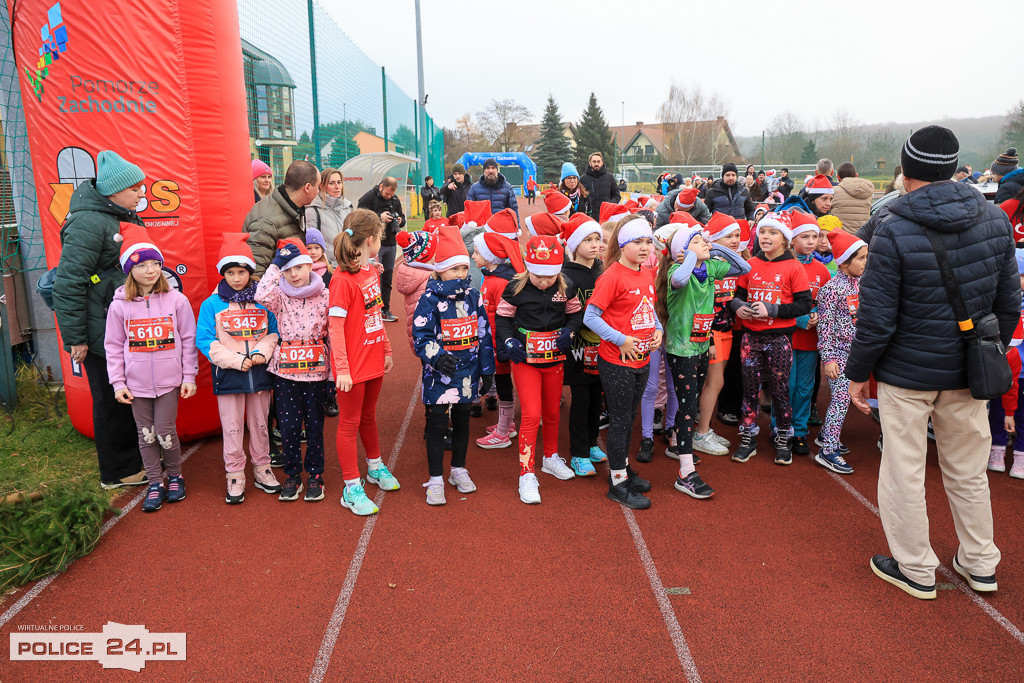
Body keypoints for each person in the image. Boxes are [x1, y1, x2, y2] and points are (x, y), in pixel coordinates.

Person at [846, 125, 1019, 600]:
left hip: (908, 374)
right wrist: (987, 350)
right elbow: (1008, 304)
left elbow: (877, 317)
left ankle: (917, 568)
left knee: (904, 470)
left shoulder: (893, 226)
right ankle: (980, 561)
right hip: (968, 369)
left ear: (906, 171)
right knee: (967, 470)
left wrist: (857, 373)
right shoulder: (993, 218)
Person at [53, 150, 147, 489]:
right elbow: (68, 283)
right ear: (114, 190)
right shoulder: (89, 222)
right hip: (99, 330)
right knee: (111, 400)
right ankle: (118, 471)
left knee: (127, 396)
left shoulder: (122, 215)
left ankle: (135, 459)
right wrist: (76, 338)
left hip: (121, 324)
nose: (141, 194)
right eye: (135, 188)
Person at [105, 224, 198, 512]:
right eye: (142, 265)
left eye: (155, 264)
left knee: (165, 431)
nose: (150, 270)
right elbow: (113, 345)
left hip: (170, 381)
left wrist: (189, 376)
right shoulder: (119, 306)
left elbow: (188, 339)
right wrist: (118, 383)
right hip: (136, 384)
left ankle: (175, 477)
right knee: (145, 433)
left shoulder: (177, 300)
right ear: (129, 269)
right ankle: (155, 482)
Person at [496, 235, 583, 505]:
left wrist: (570, 331)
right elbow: (502, 318)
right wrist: (510, 341)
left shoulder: (566, 285)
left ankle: (551, 457)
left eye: (549, 276)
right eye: (538, 276)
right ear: (527, 269)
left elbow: (576, 314)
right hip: (526, 361)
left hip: (555, 359)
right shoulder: (515, 288)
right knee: (532, 414)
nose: (544, 281)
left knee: (552, 412)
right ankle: (526, 473)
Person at [196, 233, 282, 503]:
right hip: (229, 377)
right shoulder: (211, 304)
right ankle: (234, 475)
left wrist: (260, 352)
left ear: (249, 271)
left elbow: (275, 332)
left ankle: (263, 468)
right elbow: (205, 340)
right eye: (230, 272)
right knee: (232, 427)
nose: (236, 278)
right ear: (223, 273)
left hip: (259, 375)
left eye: (241, 271)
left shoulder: (263, 300)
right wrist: (236, 360)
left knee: (259, 425)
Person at [584, 216, 662, 509]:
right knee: (618, 421)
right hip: (617, 362)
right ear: (623, 245)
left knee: (629, 418)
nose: (644, 248)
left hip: (641, 359)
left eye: (647, 242)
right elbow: (590, 317)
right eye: (637, 242)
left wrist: (658, 330)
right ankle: (617, 482)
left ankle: (622, 468)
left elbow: (648, 311)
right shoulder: (612, 276)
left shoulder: (645, 273)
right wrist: (621, 340)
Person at [413, 228, 495, 505]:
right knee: (437, 425)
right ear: (439, 271)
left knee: (462, 421)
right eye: (453, 268)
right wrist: (437, 357)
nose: (460, 273)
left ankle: (458, 469)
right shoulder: (429, 299)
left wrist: (487, 369)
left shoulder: (474, 295)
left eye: (463, 267)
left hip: (468, 373)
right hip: (439, 375)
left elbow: (483, 333)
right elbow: (420, 336)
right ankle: (435, 478)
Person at [328, 210, 398, 517]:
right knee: (349, 423)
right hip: (353, 367)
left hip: (373, 358)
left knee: (369, 416)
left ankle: (374, 467)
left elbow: (375, 314)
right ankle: (351, 486)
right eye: (380, 236)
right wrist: (342, 369)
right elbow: (335, 328)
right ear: (370, 240)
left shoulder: (371, 271)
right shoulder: (341, 281)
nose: (381, 241)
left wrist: (386, 347)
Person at [655, 222, 732, 499]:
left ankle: (677, 442)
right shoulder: (678, 270)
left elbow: (742, 268)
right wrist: (687, 254)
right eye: (699, 240)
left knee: (692, 402)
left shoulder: (709, 267)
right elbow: (679, 279)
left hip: (701, 345)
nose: (706, 244)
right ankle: (685, 472)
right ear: (682, 251)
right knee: (688, 408)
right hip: (681, 349)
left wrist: (713, 247)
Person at [728, 212, 812, 465]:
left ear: (785, 239)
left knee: (779, 390)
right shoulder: (749, 263)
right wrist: (738, 308)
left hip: (779, 340)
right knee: (750, 389)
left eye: (772, 233)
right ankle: (748, 436)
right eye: (763, 232)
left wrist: (772, 310)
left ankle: (783, 437)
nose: (765, 237)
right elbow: (736, 296)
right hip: (751, 338)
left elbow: (804, 305)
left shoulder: (794, 266)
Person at [255, 238, 331, 503]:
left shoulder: (325, 294)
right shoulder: (279, 295)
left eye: (298, 267)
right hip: (286, 374)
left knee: (314, 427)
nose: (293, 274)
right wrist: (276, 264)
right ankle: (292, 475)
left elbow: (332, 333)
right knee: (288, 428)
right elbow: (260, 294)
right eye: (288, 270)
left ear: (310, 265)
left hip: (316, 374)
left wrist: (331, 376)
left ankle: (316, 475)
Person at [693, 213, 751, 456]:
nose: (736, 240)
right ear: (715, 239)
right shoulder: (709, 262)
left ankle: (703, 429)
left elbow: (743, 269)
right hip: (711, 331)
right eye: (729, 236)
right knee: (713, 383)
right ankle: (700, 433)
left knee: (715, 383)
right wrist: (708, 337)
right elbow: (702, 304)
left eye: (737, 235)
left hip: (725, 330)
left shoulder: (729, 262)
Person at [815, 230, 868, 475]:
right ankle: (827, 450)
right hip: (837, 354)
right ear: (845, 262)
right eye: (861, 258)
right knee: (842, 398)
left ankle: (827, 436)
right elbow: (825, 328)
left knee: (846, 398)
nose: (865, 263)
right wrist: (828, 358)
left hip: (855, 353)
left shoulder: (860, 284)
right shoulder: (831, 290)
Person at [560, 213, 608, 475]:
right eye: (587, 239)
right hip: (578, 349)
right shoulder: (566, 276)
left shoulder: (603, 270)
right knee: (580, 399)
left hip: (602, 347)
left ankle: (591, 443)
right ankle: (578, 453)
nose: (594, 244)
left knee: (596, 399)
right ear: (574, 244)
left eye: (597, 239)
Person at [778, 212, 830, 457]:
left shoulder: (822, 270)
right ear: (791, 240)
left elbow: (826, 301)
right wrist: (800, 319)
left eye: (815, 236)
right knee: (784, 386)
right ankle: (780, 428)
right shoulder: (783, 266)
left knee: (804, 388)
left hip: (810, 340)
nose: (811, 241)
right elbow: (778, 300)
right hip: (786, 336)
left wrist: (817, 315)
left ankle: (799, 431)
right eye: (805, 236)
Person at [473, 231, 525, 450]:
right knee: (502, 382)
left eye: (477, 252)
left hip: (500, 344)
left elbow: (505, 317)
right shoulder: (491, 278)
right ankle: (507, 424)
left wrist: (501, 344)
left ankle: (504, 431)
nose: (473, 256)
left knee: (503, 384)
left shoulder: (500, 282)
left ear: (490, 256)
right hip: (493, 342)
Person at [244, 160, 321, 277]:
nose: (319, 191)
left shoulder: (293, 208)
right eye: (318, 186)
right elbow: (255, 275)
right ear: (307, 188)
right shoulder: (266, 221)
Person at [988, 250, 1024, 476]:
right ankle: (997, 448)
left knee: (1022, 415)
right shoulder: (998, 299)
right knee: (998, 411)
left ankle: (1020, 454)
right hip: (1002, 367)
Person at [357, 176, 406, 323]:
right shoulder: (368, 198)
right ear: (381, 186)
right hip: (373, 245)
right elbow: (360, 217)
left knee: (387, 277)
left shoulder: (395, 200)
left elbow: (402, 218)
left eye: (391, 194)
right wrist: (379, 217)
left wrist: (399, 221)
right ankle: (370, 310)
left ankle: (385, 309)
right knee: (371, 279)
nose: (389, 197)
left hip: (390, 243)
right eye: (387, 194)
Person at [304, 167, 353, 267]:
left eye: (339, 182)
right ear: (322, 186)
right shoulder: (313, 210)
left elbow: (355, 238)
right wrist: (327, 266)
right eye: (331, 183)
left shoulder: (348, 207)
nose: (337, 186)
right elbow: (311, 244)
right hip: (328, 268)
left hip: (348, 265)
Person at [831, 162, 875, 234]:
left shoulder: (834, 192)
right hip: (862, 237)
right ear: (856, 175)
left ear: (838, 177)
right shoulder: (867, 191)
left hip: (842, 236)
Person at [579, 152, 621, 219]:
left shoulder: (609, 177)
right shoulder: (583, 179)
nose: (596, 164)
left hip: (607, 216)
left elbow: (616, 196)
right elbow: (580, 198)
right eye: (594, 161)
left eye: (598, 161)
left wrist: (609, 205)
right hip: (590, 217)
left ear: (602, 162)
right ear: (590, 163)